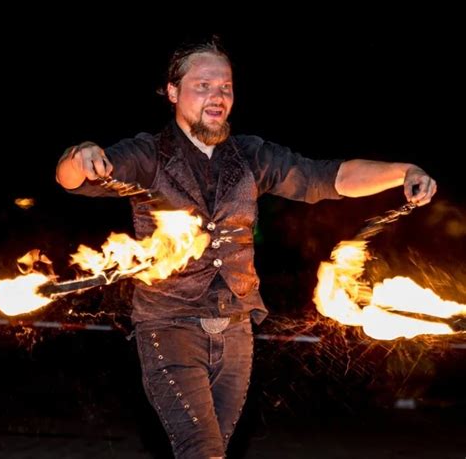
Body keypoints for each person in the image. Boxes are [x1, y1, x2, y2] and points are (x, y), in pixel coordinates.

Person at [56, 36, 437, 458]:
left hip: (237, 329)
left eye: (225, 87)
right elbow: (71, 179)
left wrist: (403, 171)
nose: (217, 96)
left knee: (215, 451)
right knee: (201, 451)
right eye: (203, 86)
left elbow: (324, 178)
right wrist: (81, 154)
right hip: (169, 327)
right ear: (172, 91)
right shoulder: (148, 154)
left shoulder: (251, 155)